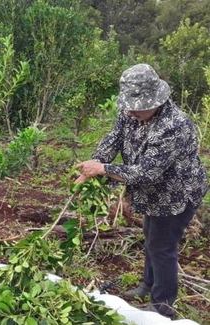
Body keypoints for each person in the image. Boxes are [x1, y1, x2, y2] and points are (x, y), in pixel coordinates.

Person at [76, 63, 208, 318]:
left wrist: (103, 169)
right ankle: (148, 284)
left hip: (177, 194)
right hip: (153, 191)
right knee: (151, 235)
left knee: (162, 245)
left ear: (156, 101)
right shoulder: (131, 111)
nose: (131, 111)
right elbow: (114, 137)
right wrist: (95, 162)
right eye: (130, 105)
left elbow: (147, 172)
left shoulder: (174, 126)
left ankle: (162, 305)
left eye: (138, 107)